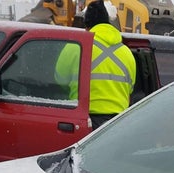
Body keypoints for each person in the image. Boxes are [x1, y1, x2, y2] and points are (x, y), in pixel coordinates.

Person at [55, 0, 136, 129]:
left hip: (84, 120)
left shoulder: (75, 47)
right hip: (118, 124)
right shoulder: (127, 53)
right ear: (108, 22)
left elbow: (59, 80)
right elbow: (130, 88)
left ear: (87, 25)